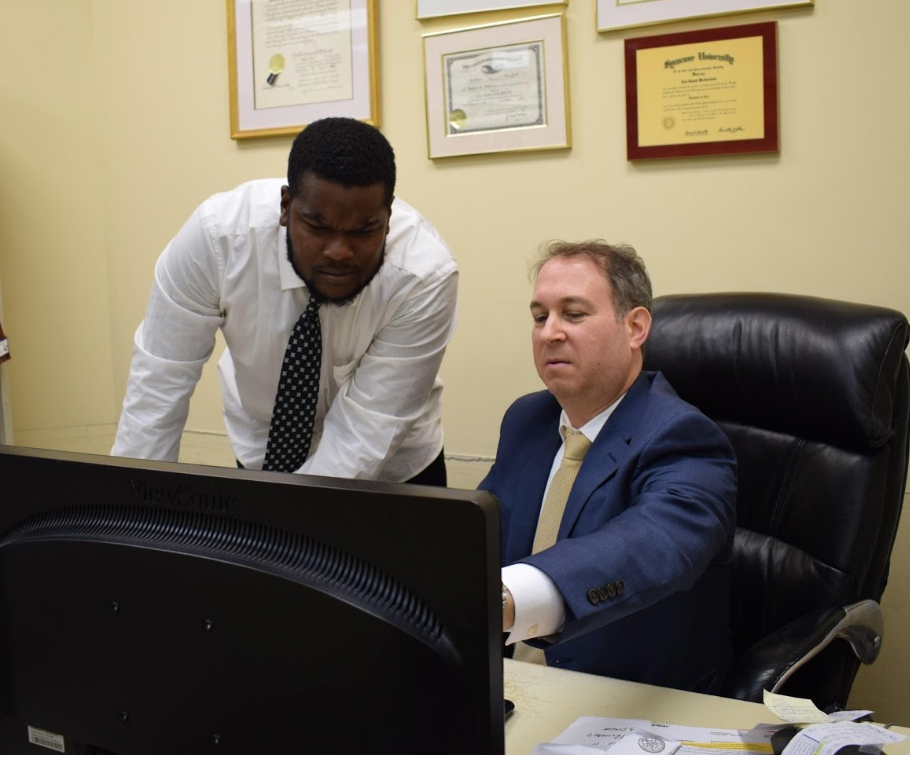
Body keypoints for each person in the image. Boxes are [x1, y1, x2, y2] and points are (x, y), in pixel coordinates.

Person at [112, 117, 458, 485]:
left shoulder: (423, 275)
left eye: (364, 230)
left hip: (392, 471)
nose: (339, 251)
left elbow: (365, 434)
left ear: (388, 219)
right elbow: (158, 385)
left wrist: (283, 512)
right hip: (264, 453)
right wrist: (130, 506)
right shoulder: (217, 240)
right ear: (285, 206)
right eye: (317, 226)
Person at [479, 240, 736, 692]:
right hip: (509, 688)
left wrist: (506, 597)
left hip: (628, 701)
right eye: (540, 317)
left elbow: (649, 544)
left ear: (635, 327)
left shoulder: (683, 436)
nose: (549, 333)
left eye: (573, 314)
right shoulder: (527, 420)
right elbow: (479, 533)